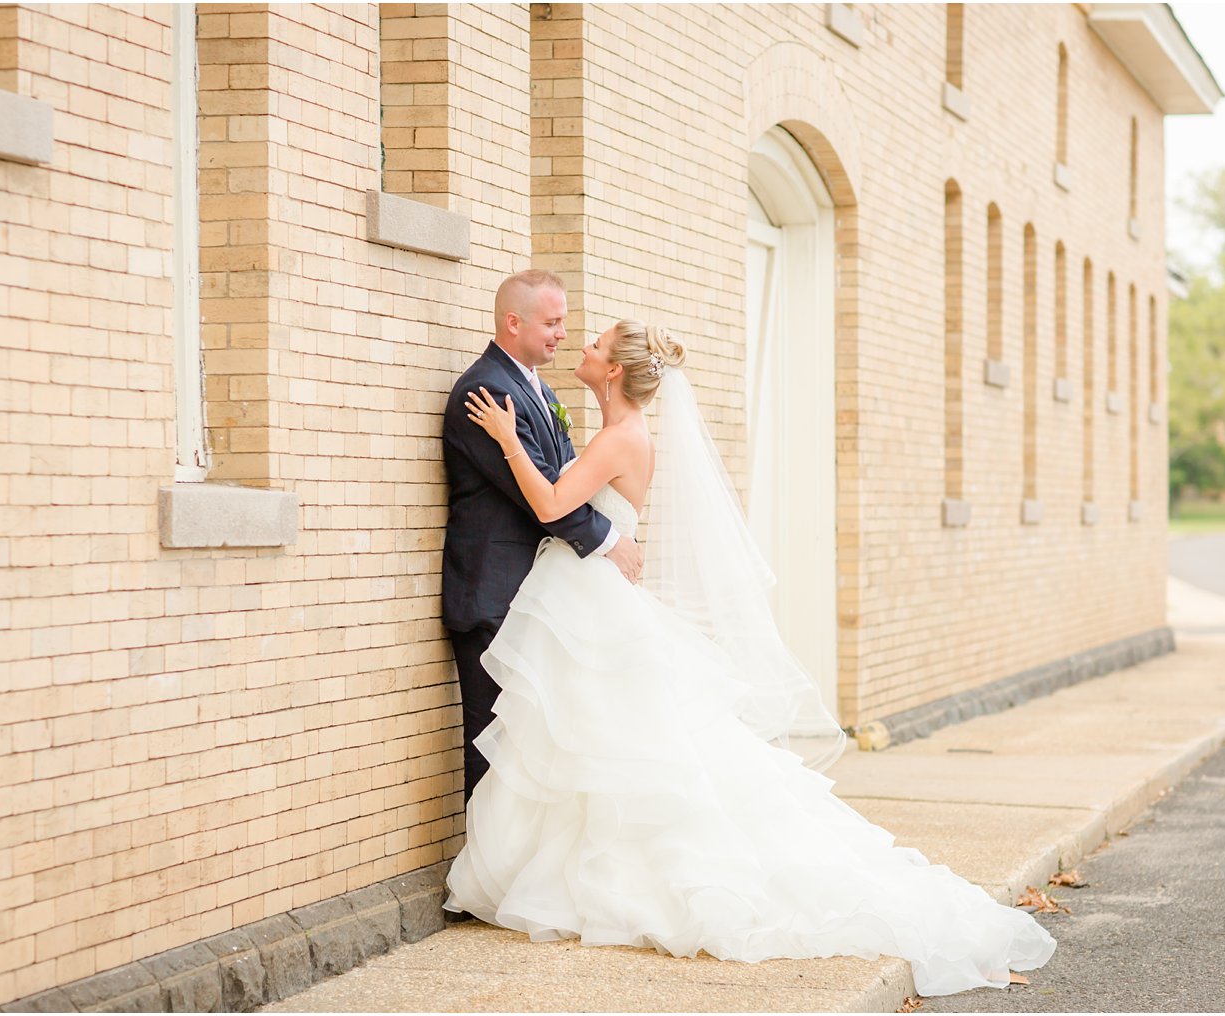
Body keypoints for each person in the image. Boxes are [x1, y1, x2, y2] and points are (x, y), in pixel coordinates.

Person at [443, 314, 1058, 997]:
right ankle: (574, 872)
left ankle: (611, 878)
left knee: (614, 743)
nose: (582, 348)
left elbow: (556, 501)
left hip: (590, 600)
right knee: (598, 741)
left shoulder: (623, 435)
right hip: (588, 593)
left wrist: (507, 441)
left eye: (595, 345)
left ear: (613, 369)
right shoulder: (622, 430)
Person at [441, 270, 644, 806]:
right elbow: (544, 502)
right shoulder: (486, 390)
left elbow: (559, 487)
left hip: (539, 597)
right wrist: (610, 540)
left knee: (535, 747)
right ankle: (486, 876)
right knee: (494, 745)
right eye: (552, 322)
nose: (563, 334)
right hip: (494, 595)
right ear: (514, 322)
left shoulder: (539, 388)